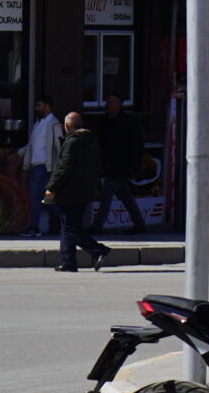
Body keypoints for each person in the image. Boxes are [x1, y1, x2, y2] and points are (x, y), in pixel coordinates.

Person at [45, 110, 113, 271]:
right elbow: (98, 166)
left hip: (70, 192)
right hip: (85, 191)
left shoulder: (71, 142)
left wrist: (51, 187)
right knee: (68, 227)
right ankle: (68, 261)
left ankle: (99, 250)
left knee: (70, 228)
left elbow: (64, 168)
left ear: (67, 126)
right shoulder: (91, 140)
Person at [92, 93, 148, 233]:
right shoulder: (103, 121)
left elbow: (137, 145)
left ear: (118, 105)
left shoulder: (129, 122)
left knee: (106, 194)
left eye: (110, 102)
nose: (107, 105)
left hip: (121, 165)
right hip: (109, 164)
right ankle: (140, 224)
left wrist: (134, 164)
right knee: (125, 196)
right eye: (107, 101)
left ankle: (97, 225)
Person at [22, 95, 62, 237]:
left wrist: (59, 167)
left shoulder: (53, 123)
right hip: (35, 165)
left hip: (45, 166)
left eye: (38, 105)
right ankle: (67, 222)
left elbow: (59, 145)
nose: (36, 108)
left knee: (35, 198)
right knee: (44, 200)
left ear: (46, 106)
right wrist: (20, 153)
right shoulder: (38, 124)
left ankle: (34, 228)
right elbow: (31, 145)